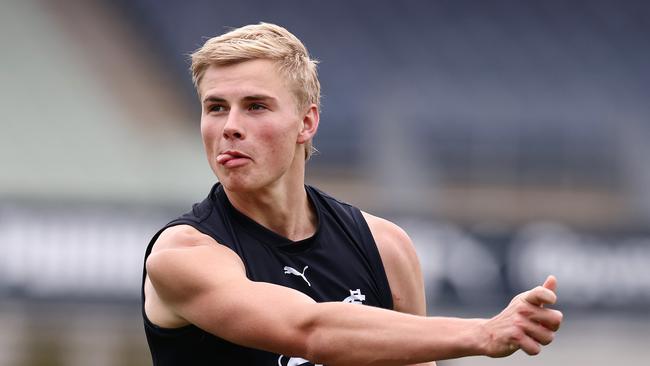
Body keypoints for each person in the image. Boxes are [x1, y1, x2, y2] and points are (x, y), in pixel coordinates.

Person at [141, 22, 563, 366]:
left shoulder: (385, 247)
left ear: (306, 123)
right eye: (216, 107)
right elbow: (310, 331)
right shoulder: (182, 255)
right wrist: (484, 332)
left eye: (255, 106)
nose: (230, 126)